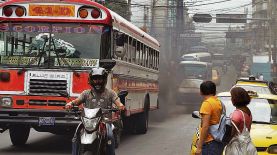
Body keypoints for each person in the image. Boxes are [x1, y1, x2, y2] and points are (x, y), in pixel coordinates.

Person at [65, 67, 125, 155]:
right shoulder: (86, 93)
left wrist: (120, 105)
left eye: (100, 79)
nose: (97, 81)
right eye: (95, 79)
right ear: (91, 80)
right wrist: (70, 104)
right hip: (88, 122)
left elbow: (117, 101)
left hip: (105, 122)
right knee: (75, 137)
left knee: (110, 137)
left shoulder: (110, 93)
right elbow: (77, 101)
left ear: (104, 80)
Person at [195, 81, 225, 155]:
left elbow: (205, 126)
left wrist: (199, 147)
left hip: (209, 142)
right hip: (217, 141)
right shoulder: (218, 102)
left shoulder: (207, 104)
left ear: (201, 91)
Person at [224, 87, 254, 155]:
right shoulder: (247, 111)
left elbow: (232, 134)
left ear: (236, 98)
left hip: (237, 148)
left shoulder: (237, 114)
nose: (231, 99)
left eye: (232, 97)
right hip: (247, 146)